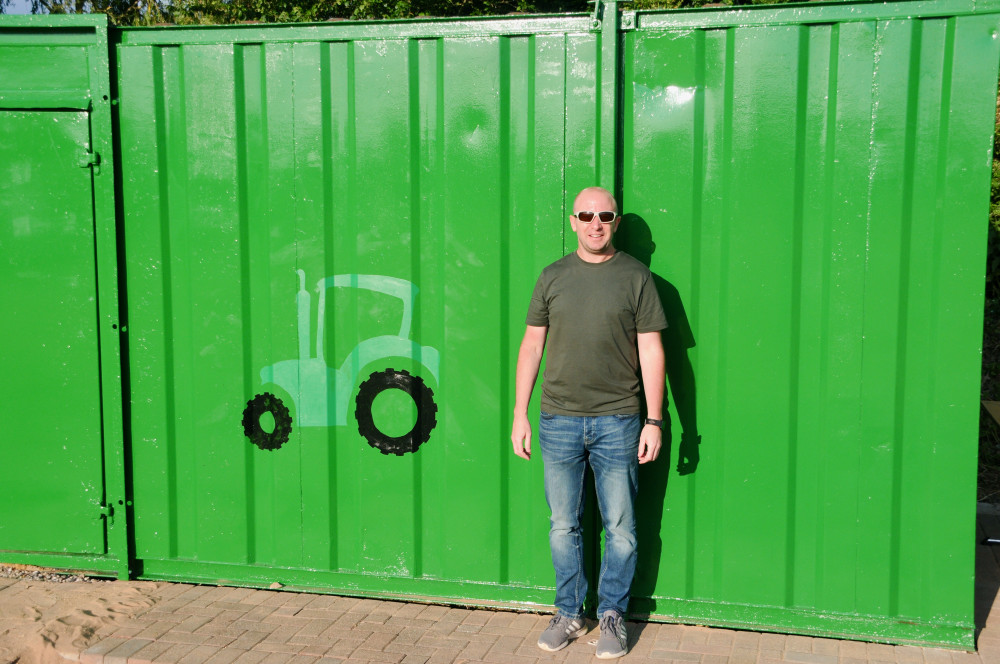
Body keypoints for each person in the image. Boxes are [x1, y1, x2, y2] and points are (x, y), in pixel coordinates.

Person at [510, 186, 667, 659]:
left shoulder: (637, 278)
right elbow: (531, 345)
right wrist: (520, 413)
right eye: (586, 215)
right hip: (558, 419)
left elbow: (651, 351)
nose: (595, 222)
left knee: (620, 526)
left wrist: (654, 420)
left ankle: (613, 615)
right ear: (573, 221)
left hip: (619, 419)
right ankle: (568, 612)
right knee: (563, 525)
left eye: (605, 215)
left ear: (615, 222)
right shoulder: (552, 276)